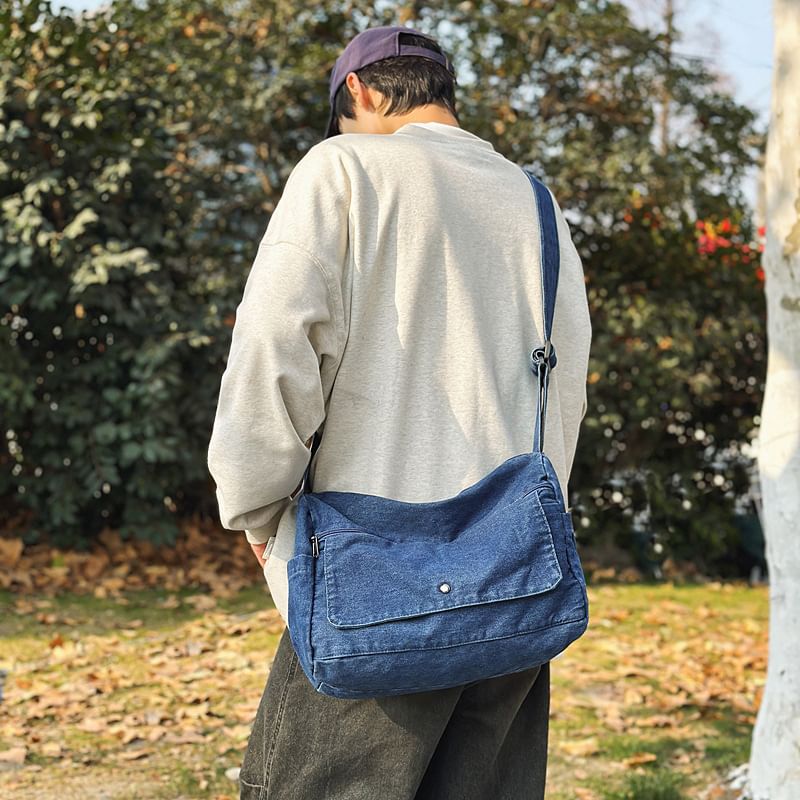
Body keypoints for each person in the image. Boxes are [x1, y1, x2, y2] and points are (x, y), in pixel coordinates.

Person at [207, 24, 591, 800]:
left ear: (360, 91)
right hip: (514, 582)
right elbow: (566, 386)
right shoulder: (536, 203)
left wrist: (254, 507)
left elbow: (275, 347)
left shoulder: (343, 169)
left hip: (368, 580)